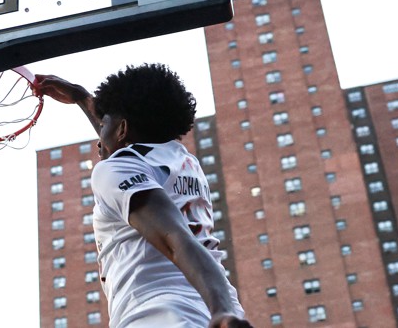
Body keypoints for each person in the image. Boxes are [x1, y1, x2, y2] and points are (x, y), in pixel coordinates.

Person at [35, 64, 251, 328]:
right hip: (209, 307)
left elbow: (174, 237)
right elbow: (122, 147)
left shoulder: (115, 169)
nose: (98, 141)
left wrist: (222, 310)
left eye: (104, 125)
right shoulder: (184, 163)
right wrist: (82, 98)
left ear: (122, 129)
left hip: (161, 314)